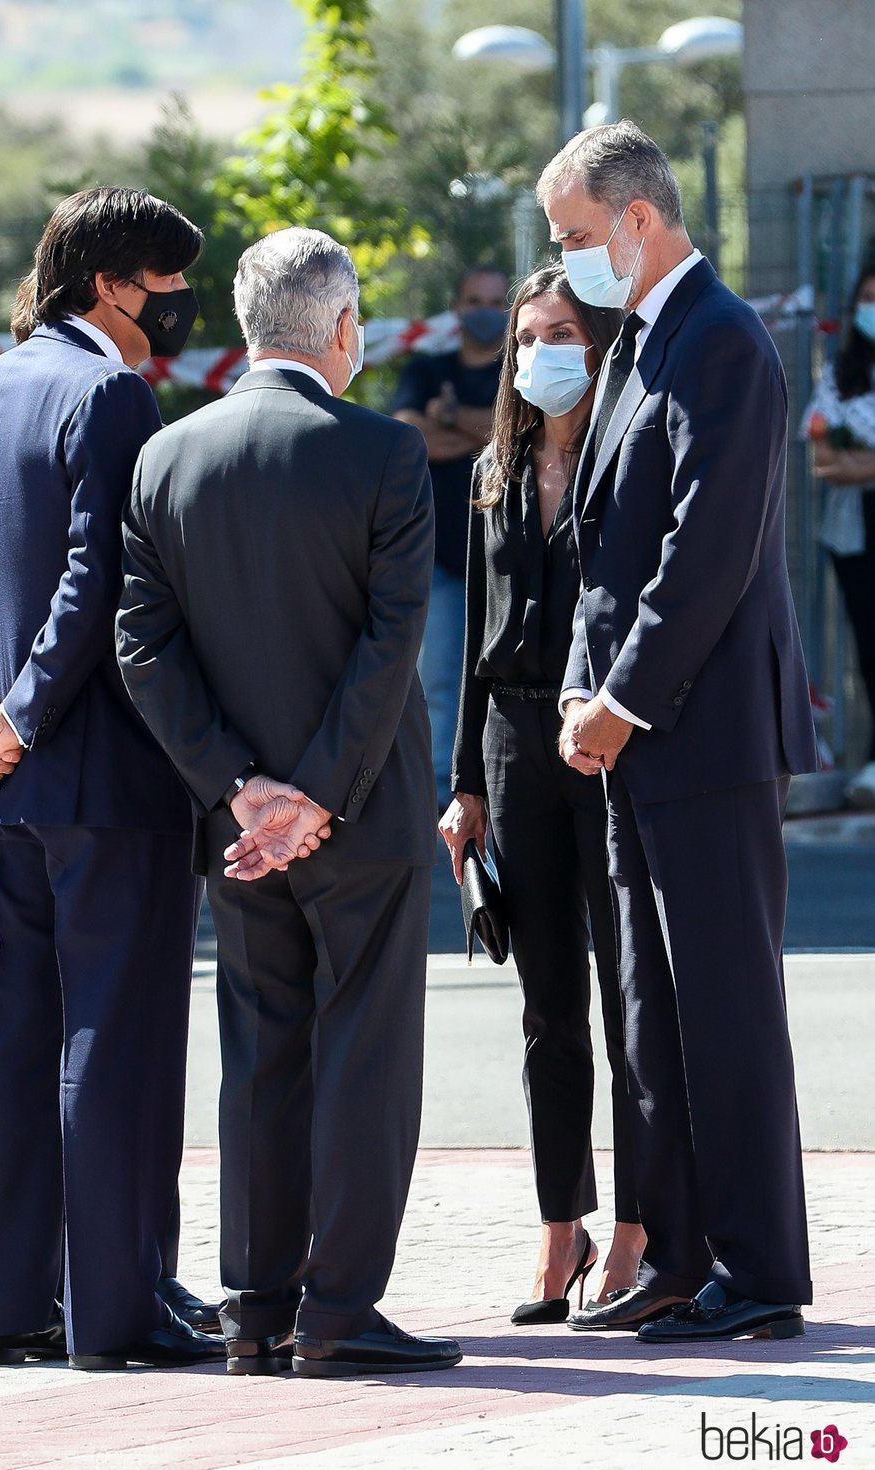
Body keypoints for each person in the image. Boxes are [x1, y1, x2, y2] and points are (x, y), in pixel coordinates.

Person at [116, 226, 462, 1379]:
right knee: (364, 1050)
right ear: (343, 326)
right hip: (363, 814)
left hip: (235, 825)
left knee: (258, 1049)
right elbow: (389, 642)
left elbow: (144, 650)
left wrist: (240, 790)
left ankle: (255, 1306)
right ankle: (340, 1311)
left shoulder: (167, 457)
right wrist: (313, 793)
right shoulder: (382, 451)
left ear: (245, 325)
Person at [0, 186, 227, 1370]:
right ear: (111, 283)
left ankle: (5, 1308)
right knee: (119, 1038)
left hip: (1, 788)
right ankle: (119, 1309)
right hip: (101, 779)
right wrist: (27, 717)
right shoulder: (110, 392)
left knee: (12, 1038)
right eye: (168, 278)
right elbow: (101, 587)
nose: (179, 301)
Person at [538, 121, 818, 1342]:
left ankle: (757, 1273)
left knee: (721, 1008)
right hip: (637, 737)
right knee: (651, 1011)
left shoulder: (719, 342)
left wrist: (619, 696)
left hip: (696, 734)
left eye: (576, 239)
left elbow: (702, 552)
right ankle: (683, 1253)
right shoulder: (647, 339)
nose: (568, 261)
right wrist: (575, 687)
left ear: (637, 219)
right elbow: (602, 557)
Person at [440, 260, 644, 1325]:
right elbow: (478, 642)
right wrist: (465, 784)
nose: (537, 353)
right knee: (546, 1004)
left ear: (600, 344)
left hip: (605, 737)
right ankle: (558, 1227)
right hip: (517, 740)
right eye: (526, 337)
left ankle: (639, 1232)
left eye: (560, 332)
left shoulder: (628, 458)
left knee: (633, 1004)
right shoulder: (494, 472)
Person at [393, 266, 509, 805]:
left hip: (509, 560)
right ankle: (439, 797)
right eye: (474, 299)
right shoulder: (425, 367)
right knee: (435, 684)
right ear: (457, 308)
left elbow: (521, 427)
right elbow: (410, 436)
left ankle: (499, 792)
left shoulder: (520, 365)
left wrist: (450, 415)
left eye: (495, 300)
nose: (485, 309)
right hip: (438, 557)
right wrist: (484, 432)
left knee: (508, 684)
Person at [802, 264, 875, 807]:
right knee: (869, 644)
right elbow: (823, 459)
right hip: (855, 529)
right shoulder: (842, 374)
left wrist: (859, 460)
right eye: (866, 298)